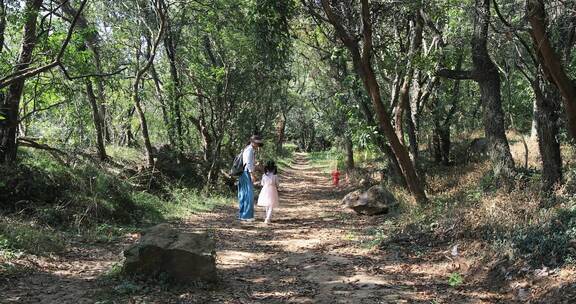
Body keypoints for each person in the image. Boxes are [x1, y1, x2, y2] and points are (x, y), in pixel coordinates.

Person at [238, 135, 263, 221]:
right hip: (246, 173)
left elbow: (248, 163)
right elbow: (248, 164)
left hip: (243, 173)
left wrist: (255, 166)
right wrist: (252, 175)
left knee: (243, 194)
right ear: (252, 142)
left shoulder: (247, 149)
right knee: (248, 195)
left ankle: (242, 215)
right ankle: (247, 216)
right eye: (257, 143)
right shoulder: (250, 150)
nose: (257, 145)